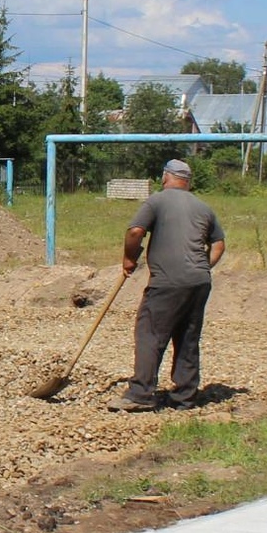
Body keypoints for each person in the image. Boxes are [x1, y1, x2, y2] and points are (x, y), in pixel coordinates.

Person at [108, 158, 225, 411]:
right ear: (188, 181)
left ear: (165, 177)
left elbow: (135, 232)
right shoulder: (204, 207)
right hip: (200, 282)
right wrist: (203, 266)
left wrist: (129, 258)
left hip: (168, 281)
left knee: (149, 333)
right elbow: (218, 244)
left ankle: (140, 394)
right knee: (187, 336)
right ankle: (185, 396)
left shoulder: (157, 201)